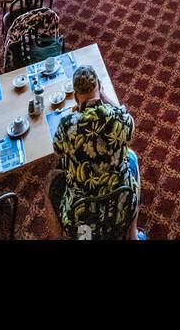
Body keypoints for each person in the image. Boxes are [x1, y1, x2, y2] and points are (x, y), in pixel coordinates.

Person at [49, 64, 144, 240]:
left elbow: (58, 152)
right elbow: (128, 121)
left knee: (52, 178)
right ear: (99, 87)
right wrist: (104, 97)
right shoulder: (118, 118)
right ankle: (133, 234)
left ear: (76, 97)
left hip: (81, 215)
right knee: (132, 158)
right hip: (119, 205)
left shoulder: (67, 125)